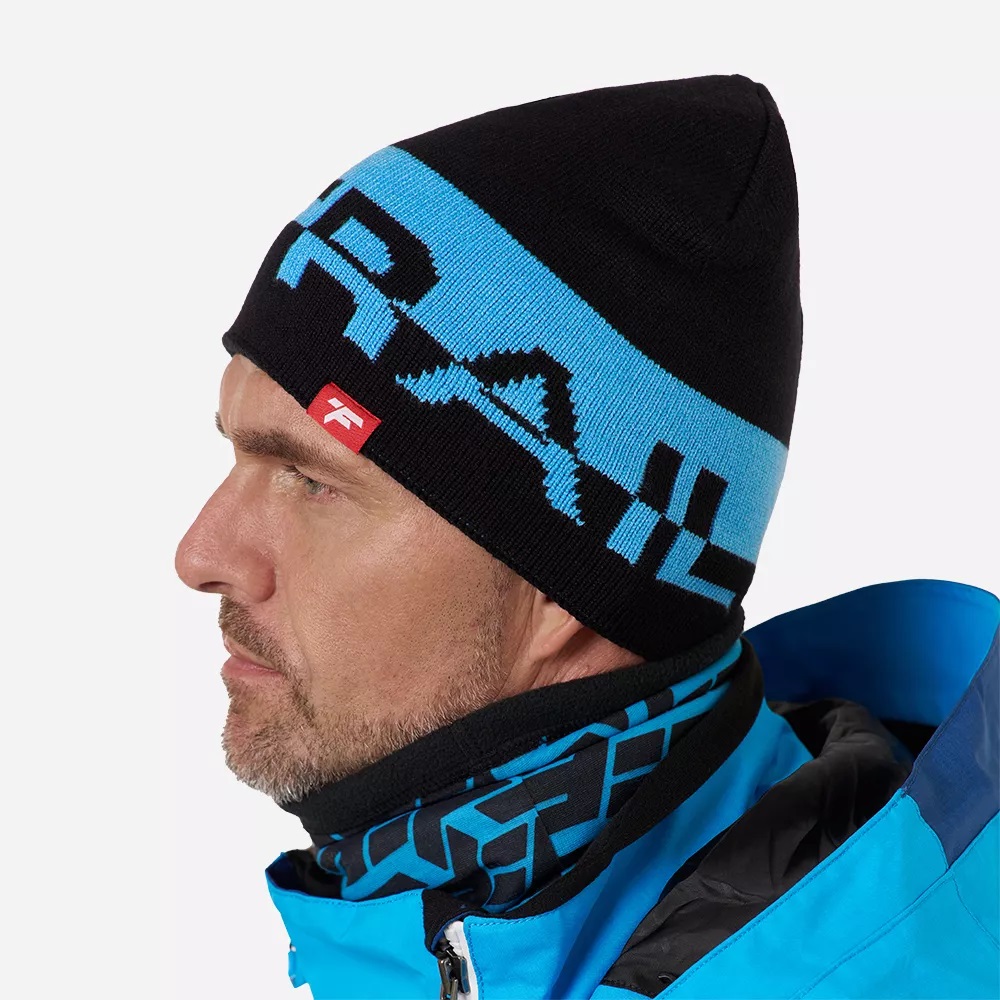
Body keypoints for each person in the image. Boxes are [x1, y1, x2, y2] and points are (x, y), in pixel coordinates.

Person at [174, 73, 999, 999]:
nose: (199, 555)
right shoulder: (441, 923)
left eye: (313, 480)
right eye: (236, 453)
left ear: (566, 588)